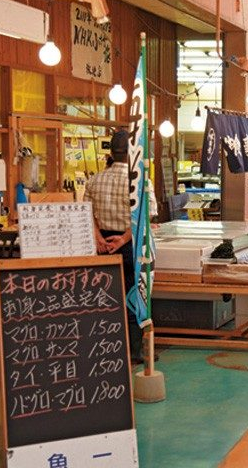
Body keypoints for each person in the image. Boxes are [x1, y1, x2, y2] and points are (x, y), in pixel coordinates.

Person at [84, 130, 157, 364]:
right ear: (132, 153)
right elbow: (148, 215)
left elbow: (86, 214)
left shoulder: (95, 180)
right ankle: (135, 350)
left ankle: (108, 348)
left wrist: (99, 238)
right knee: (135, 296)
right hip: (130, 246)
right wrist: (124, 238)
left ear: (111, 153)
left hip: (103, 248)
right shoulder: (139, 182)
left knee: (106, 298)